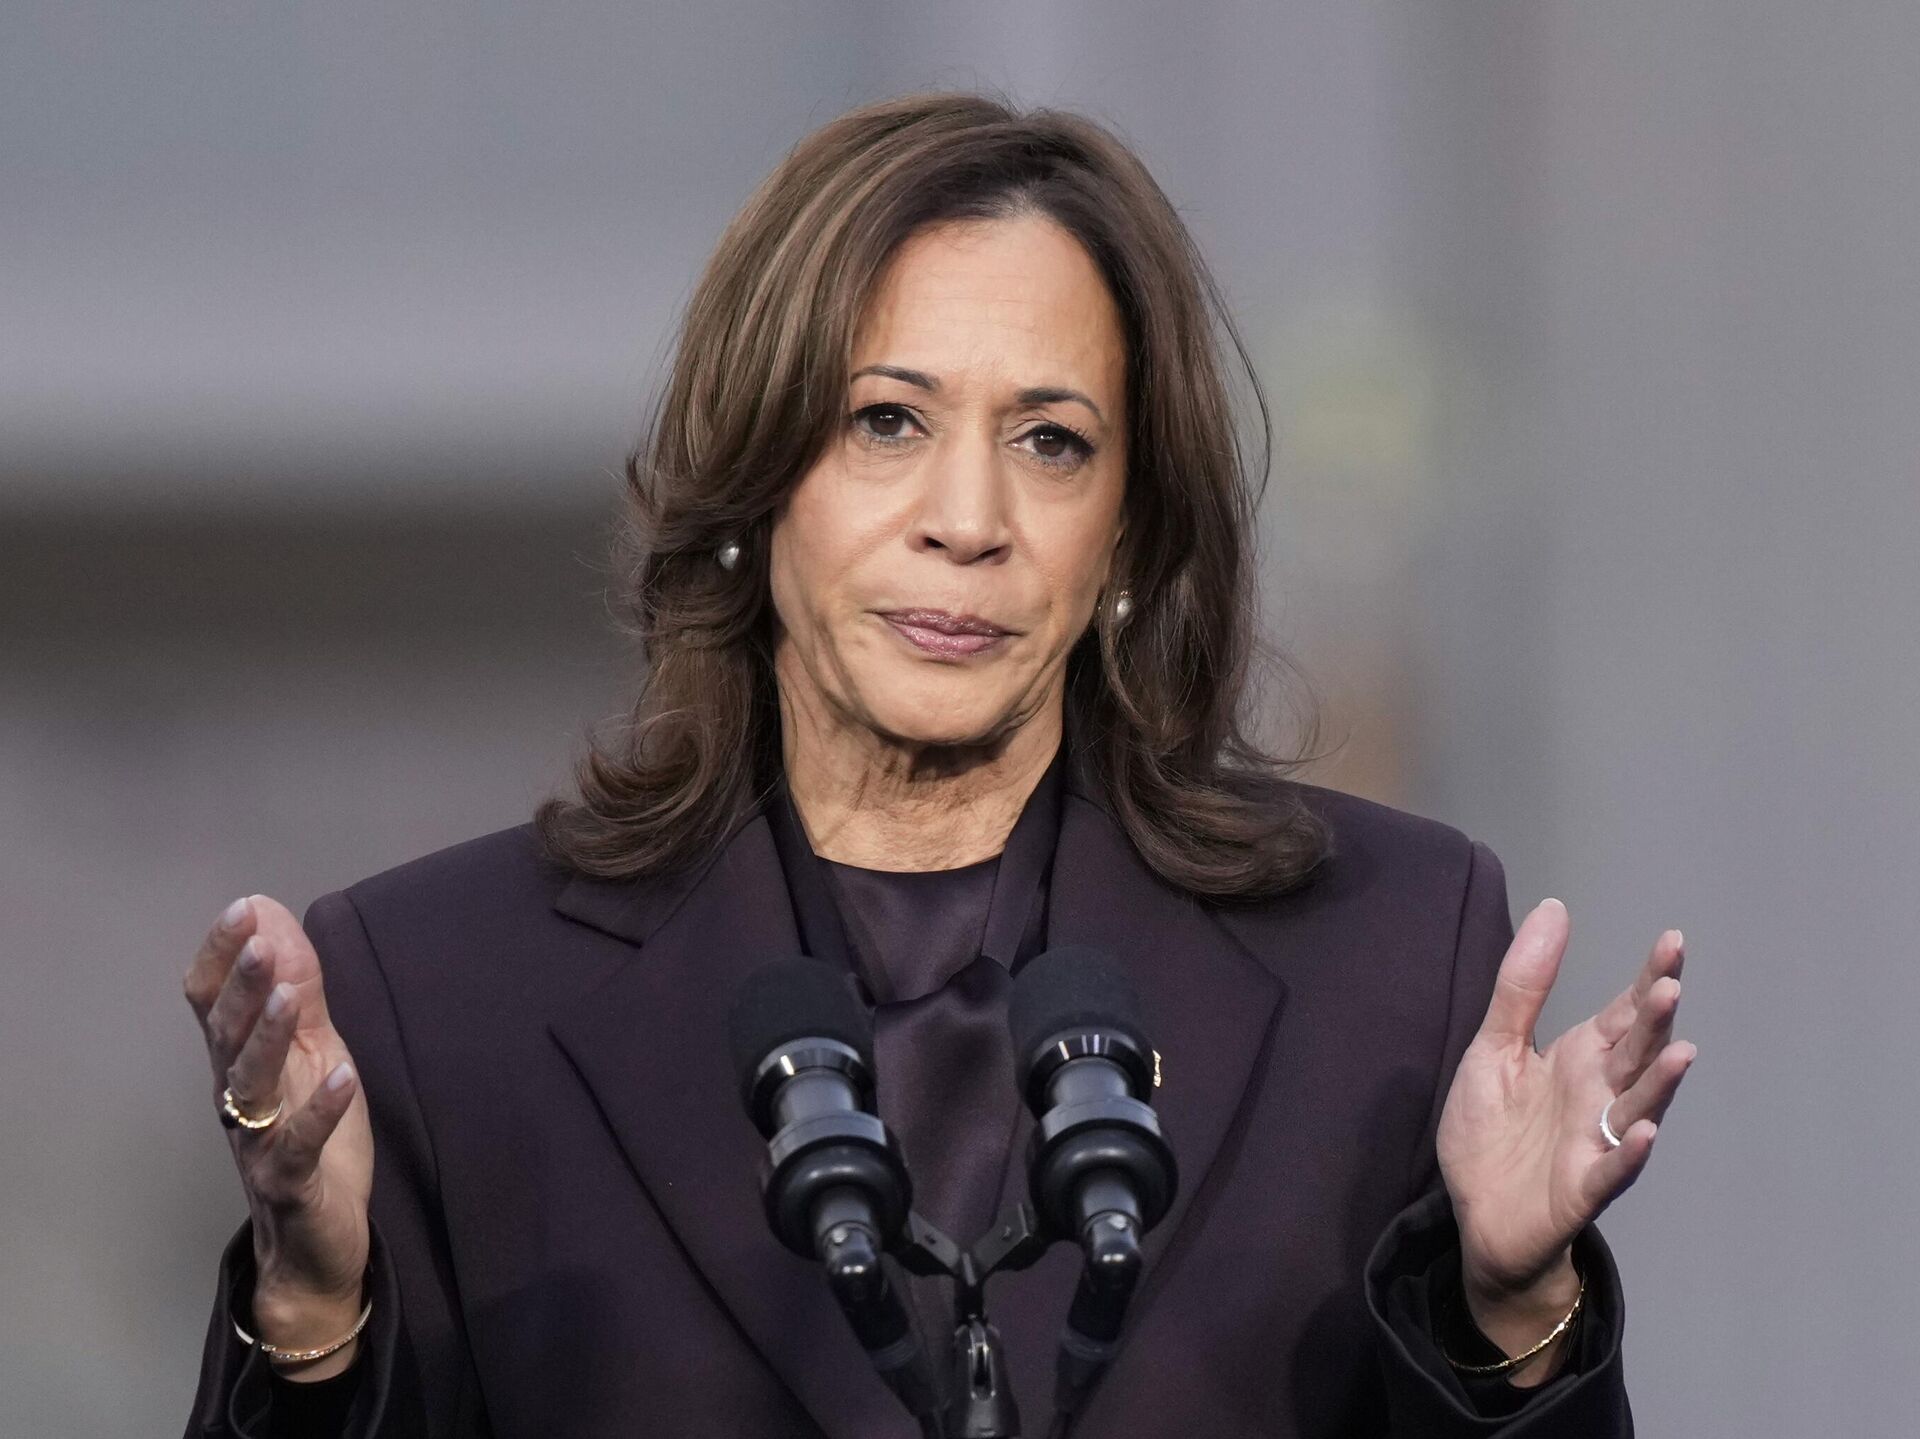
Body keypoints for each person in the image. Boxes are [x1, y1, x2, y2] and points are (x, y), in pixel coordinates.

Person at [180, 92, 1695, 1439]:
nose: (968, 520)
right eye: (887, 421)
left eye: (1051, 442)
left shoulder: (1388, 962)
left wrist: (1515, 1314)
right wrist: (311, 1312)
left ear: (1130, 529)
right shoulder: (444, 995)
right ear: (754, 477)